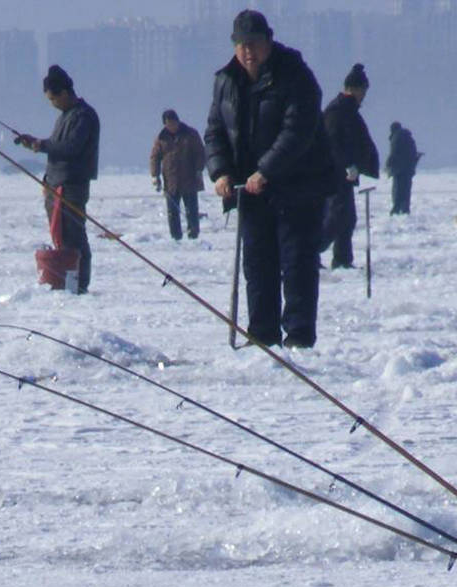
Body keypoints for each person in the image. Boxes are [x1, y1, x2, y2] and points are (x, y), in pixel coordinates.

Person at [206, 9, 339, 349]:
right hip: (250, 192)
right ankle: (261, 336)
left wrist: (266, 170)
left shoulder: (294, 75)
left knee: (296, 265)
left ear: (268, 41)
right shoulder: (225, 80)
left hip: (297, 187)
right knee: (258, 265)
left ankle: (298, 338)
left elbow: (298, 131)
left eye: (254, 43)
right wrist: (220, 171)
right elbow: (215, 132)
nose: (247, 51)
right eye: (241, 44)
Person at [12, 65, 101, 295]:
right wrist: (38, 148)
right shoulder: (65, 117)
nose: (52, 103)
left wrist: (42, 145)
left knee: (74, 236)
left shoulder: (84, 116)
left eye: (53, 98)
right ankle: (65, 283)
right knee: (61, 237)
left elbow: (70, 148)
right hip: (55, 184)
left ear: (64, 93)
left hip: (72, 186)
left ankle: (79, 284)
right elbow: (55, 147)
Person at [319, 63, 380, 270]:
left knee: (347, 218)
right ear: (353, 89)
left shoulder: (349, 110)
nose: (364, 96)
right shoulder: (337, 111)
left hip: (345, 176)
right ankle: (309, 252)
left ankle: (343, 259)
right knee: (335, 218)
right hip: (334, 175)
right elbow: (332, 143)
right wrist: (346, 166)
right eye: (363, 90)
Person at [150, 108, 207, 242]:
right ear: (165, 124)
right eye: (169, 124)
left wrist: (199, 169)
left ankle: (193, 235)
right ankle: (176, 237)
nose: (172, 126)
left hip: (190, 179)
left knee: (191, 209)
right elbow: (154, 157)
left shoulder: (191, 134)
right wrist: (155, 176)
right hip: (171, 181)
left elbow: (200, 153)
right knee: (172, 212)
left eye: (173, 123)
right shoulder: (161, 138)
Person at [385, 121, 420, 216]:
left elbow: (394, 153)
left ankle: (396, 209)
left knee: (397, 190)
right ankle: (405, 209)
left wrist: (388, 165)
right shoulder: (409, 137)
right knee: (406, 190)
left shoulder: (396, 138)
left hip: (399, 170)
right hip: (409, 169)